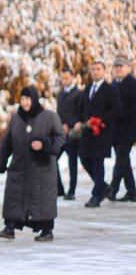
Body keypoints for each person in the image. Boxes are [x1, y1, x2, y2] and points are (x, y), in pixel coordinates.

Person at [0, 86, 65, 241]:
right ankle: (9, 227)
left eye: (28, 99)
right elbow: (7, 142)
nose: (25, 102)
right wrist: (1, 162)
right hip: (19, 166)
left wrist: (44, 144)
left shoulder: (49, 117)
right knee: (14, 197)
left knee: (42, 200)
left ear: (34, 100)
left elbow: (60, 138)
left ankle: (47, 231)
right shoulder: (17, 118)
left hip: (42, 169)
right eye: (22, 99)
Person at [76, 61, 120, 208]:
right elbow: (81, 109)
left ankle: (97, 196)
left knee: (97, 163)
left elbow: (116, 110)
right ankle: (104, 187)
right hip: (87, 133)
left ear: (104, 71)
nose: (95, 71)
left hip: (101, 133)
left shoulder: (110, 90)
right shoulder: (87, 88)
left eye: (98, 69)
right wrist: (78, 122)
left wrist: (100, 120)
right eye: (93, 69)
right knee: (84, 160)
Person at [109, 56, 136, 202]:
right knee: (124, 162)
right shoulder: (113, 84)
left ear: (128, 68)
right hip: (115, 130)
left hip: (128, 129)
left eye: (121, 66)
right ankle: (132, 191)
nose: (118, 69)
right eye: (116, 66)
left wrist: (122, 114)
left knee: (120, 160)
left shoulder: (132, 83)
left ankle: (112, 189)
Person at [56, 68, 82, 200]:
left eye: (66, 77)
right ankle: (59, 189)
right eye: (62, 78)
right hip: (60, 135)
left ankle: (71, 191)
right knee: (52, 160)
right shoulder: (60, 94)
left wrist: (69, 124)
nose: (64, 80)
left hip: (72, 134)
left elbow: (80, 113)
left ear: (72, 77)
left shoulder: (78, 93)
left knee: (72, 163)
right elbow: (59, 112)